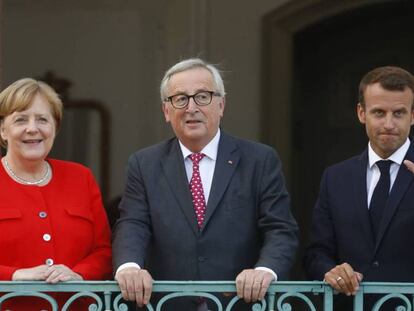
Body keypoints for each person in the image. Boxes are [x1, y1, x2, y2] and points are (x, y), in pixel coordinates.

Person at [112, 58, 299, 310]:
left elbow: (280, 228)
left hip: (241, 303)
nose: (191, 107)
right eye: (180, 98)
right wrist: (130, 267)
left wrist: (264, 270)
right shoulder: (144, 164)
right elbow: (133, 223)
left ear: (221, 105)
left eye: (203, 96)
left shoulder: (260, 160)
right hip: (169, 305)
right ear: (166, 111)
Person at [304, 66, 414, 309]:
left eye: (398, 113)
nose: (388, 123)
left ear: (413, 115)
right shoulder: (335, 178)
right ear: (361, 113)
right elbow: (316, 253)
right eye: (378, 112)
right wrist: (329, 271)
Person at [0, 78, 112, 310]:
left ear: (55, 128)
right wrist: (15, 275)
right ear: (3, 130)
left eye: (43, 119)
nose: (33, 128)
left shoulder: (80, 178)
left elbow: (103, 250)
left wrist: (78, 274)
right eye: (21, 119)